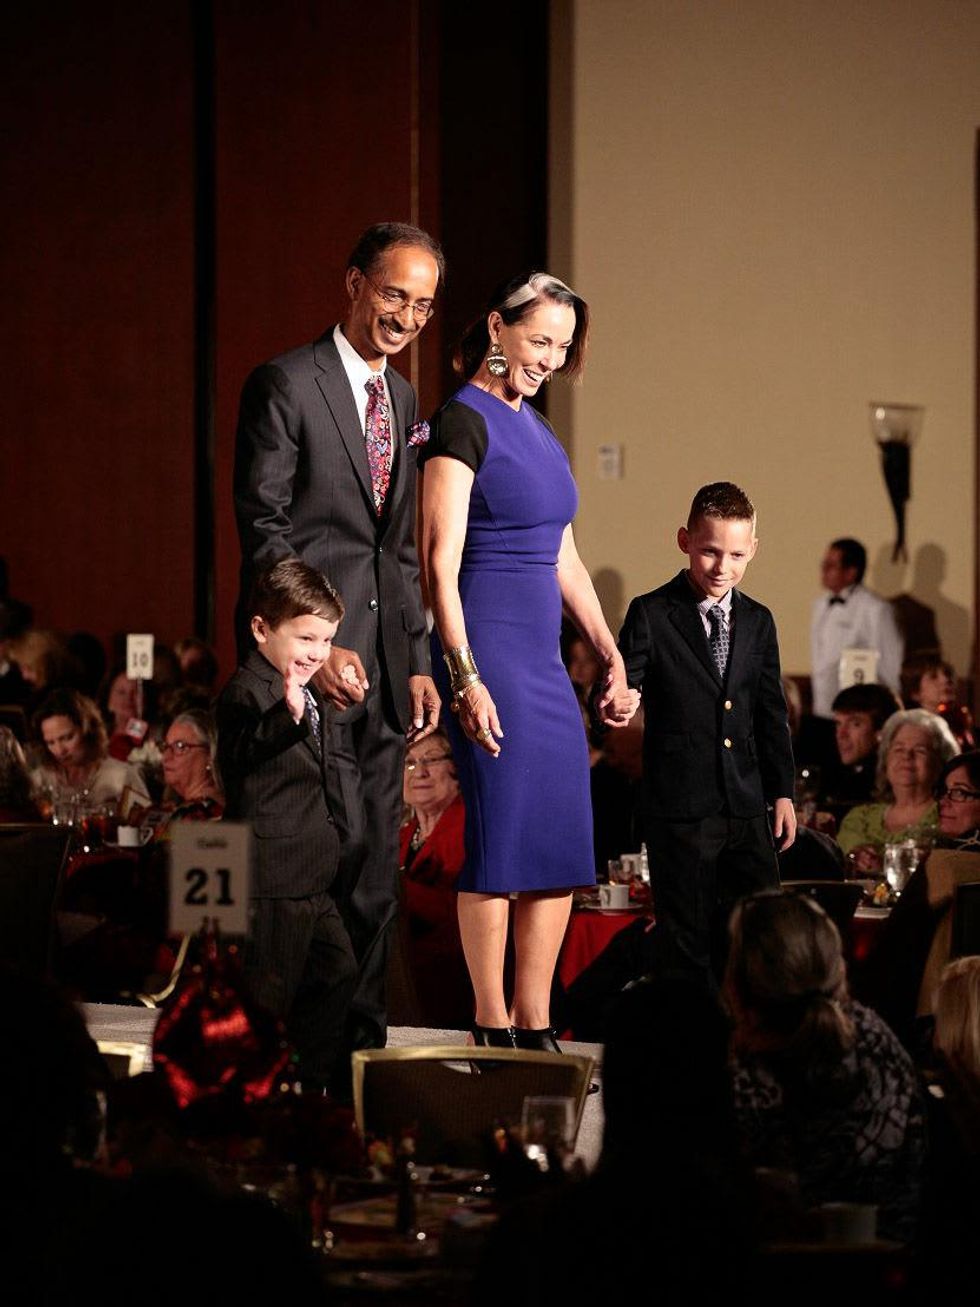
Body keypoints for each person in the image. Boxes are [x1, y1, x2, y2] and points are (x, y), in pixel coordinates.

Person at [234, 222, 444, 1051]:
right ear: (354, 282)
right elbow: (264, 528)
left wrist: (420, 658)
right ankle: (289, 1068)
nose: (406, 316)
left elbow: (398, 549)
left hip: (388, 675)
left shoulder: (404, 400)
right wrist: (313, 651)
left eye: (423, 304)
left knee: (373, 880)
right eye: (394, 293)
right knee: (304, 884)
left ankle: (356, 1058)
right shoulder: (285, 383)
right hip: (306, 682)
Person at [418, 270, 636, 1050]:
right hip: (489, 653)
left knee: (554, 840)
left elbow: (563, 556)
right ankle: (489, 1020)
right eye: (539, 339)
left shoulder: (537, 428)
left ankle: (537, 1020)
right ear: (497, 328)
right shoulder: (462, 421)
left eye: (563, 346)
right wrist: (465, 674)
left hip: (543, 665)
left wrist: (609, 653)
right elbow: (437, 563)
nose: (549, 357)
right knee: (503, 838)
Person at [618, 482, 796, 981]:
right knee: (689, 943)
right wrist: (615, 703)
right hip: (680, 811)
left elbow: (770, 712)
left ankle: (752, 1046)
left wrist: (782, 792)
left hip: (746, 806)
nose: (723, 567)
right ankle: (691, 1049)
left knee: (762, 935)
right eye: (710, 551)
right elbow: (616, 689)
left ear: (753, 550)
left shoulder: (759, 621)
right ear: (685, 541)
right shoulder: (651, 613)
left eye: (737, 554)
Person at [216, 559, 356, 1093]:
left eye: (326, 639)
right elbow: (239, 752)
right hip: (272, 875)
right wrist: (287, 716)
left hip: (310, 870)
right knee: (267, 994)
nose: (317, 651)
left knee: (336, 972)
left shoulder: (301, 684)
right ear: (260, 629)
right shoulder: (246, 691)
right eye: (306, 637)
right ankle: (257, 1096)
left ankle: (302, 1082)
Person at [726, 891, 926, 1243]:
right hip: (896, 1273)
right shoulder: (879, 1042)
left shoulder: (739, 1079)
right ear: (839, 967)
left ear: (738, 988)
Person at [396, 729, 470, 1028]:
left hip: (455, 966)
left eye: (431, 760)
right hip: (412, 960)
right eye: (409, 762)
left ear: (454, 768)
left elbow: (455, 910)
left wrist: (397, 888)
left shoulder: (467, 825)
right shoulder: (403, 835)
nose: (419, 772)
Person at [837, 707, 957, 871]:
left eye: (920, 750)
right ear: (885, 760)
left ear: (941, 762)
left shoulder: (950, 817)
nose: (907, 756)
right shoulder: (859, 819)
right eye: (899, 749)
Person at [810, 537, 903, 721]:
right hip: (821, 709)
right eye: (824, 564)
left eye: (831, 565)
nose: (823, 570)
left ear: (851, 572)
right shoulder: (820, 605)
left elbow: (890, 666)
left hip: (855, 715)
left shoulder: (875, 609)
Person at [31, 688, 149, 813]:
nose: (60, 750)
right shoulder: (40, 781)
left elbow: (150, 825)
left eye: (67, 738)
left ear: (88, 731)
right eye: (51, 742)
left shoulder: (121, 776)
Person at [819, 681, 902, 810]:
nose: (841, 734)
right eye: (838, 724)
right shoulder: (839, 772)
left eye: (855, 724)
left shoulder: (893, 780)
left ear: (883, 731)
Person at [902, 648, 975, 750]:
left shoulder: (961, 722)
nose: (946, 680)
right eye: (933, 677)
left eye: (947, 674)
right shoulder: (910, 731)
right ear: (916, 693)